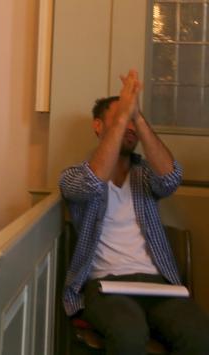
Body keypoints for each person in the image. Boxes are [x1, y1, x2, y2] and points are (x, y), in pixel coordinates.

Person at [60, 69, 209, 354]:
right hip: (106, 286)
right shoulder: (73, 176)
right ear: (97, 126)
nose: (128, 127)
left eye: (133, 120)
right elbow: (93, 182)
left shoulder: (146, 175)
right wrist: (123, 117)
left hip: (158, 284)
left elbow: (171, 179)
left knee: (200, 336)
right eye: (120, 119)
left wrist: (136, 117)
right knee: (129, 335)